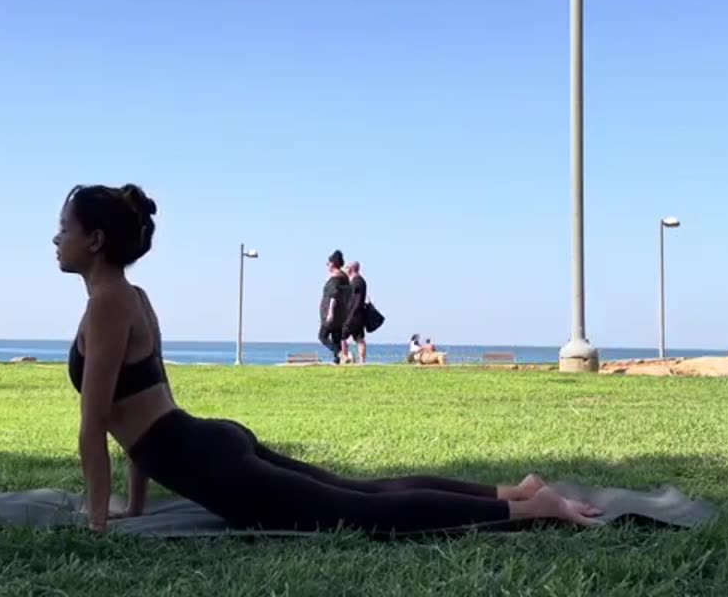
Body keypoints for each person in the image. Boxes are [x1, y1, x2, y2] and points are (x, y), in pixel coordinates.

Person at [54, 182, 602, 534]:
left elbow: (97, 424)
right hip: (202, 440)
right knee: (361, 491)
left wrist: (100, 521)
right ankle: (519, 491)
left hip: (204, 458)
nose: (56, 240)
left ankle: (530, 508)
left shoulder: (107, 305)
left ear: (96, 240)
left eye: (65, 230)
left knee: (361, 512)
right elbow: (142, 411)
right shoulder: (131, 299)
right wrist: (135, 506)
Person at [317, 250, 351, 364]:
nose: (327, 266)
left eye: (328, 263)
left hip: (332, 313)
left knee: (322, 336)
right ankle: (338, 360)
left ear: (332, 263)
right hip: (341, 313)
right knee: (336, 338)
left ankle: (341, 354)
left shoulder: (335, 279)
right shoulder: (345, 278)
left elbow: (333, 296)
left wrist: (330, 312)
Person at [343, 261, 369, 364]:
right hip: (358, 314)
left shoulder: (356, 282)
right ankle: (362, 361)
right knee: (359, 338)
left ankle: (344, 358)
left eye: (347, 267)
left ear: (351, 269)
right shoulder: (359, 281)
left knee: (342, 336)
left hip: (353, 314)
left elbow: (353, 300)